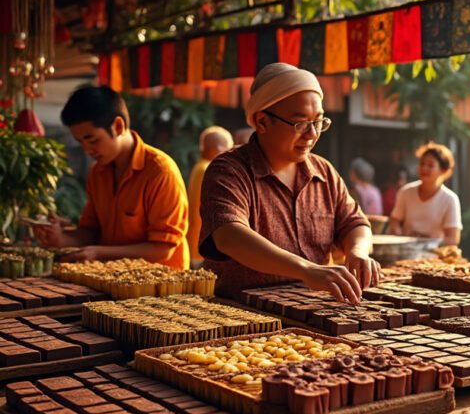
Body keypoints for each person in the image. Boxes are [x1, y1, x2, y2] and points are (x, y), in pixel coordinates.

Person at [198, 62, 379, 302]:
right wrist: (306, 270)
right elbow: (229, 235)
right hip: (242, 318)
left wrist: (358, 251)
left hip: (315, 313)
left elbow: (355, 223)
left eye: (318, 122)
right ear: (262, 122)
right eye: (300, 123)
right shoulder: (229, 170)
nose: (312, 134)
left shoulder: (323, 172)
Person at [31, 86, 189, 270]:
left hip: (162, 288)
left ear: (118, 126)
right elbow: (91, 232)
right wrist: (60, 237)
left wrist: (99, 253)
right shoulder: (97, 173)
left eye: (92, 140)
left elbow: (163, 249)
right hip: (111, 283)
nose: (87, 150)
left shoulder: (160, 171)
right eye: (80, 142)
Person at [388, 142, 463, 247]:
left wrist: (426, 243)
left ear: (442, 170)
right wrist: (396, 231)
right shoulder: (406, 192)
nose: (424, 168)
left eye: (430, 165)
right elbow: (394, 222)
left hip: (434, 258)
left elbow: (453, 239)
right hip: (406, 252)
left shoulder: (450, 199)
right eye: (422, 164)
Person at [187, 126, 234, 267]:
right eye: (229, 149)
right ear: (220, 148)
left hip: (195, 243)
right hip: (205, 246)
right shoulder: (211, 170)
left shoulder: (199, 167)